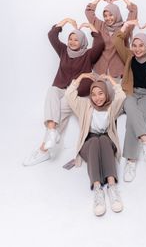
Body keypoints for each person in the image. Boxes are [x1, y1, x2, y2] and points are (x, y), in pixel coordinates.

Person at [23, 18, 104, 166]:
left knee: (61, 107)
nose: (72, 42)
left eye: (76, 40)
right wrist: (65, 21)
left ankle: (43, 150)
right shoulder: (63, 51)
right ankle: (53, 133)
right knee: (52, 91)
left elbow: (100, 44)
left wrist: (89, 26)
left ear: (82, 42)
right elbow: (52, 35)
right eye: (70, 39)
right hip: (61, 87)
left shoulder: (88, 54)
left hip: (76, 91)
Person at [113, 20, 146, 182]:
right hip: (131, 93)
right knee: (129, 106)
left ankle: (131, 161)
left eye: (141, 45)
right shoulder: (129, 56)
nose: (137, 49)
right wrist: (127, 25)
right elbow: (117, 41)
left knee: (131, 120)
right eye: (134, 45)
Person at [65, 73, 126, 216]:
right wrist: (81, 77)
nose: (97, 98)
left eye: (101, 93)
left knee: (103, 139)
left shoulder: (112, 106)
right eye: (93, 94)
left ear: (106, 94)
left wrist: (110, 79)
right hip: (88, 143)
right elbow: (69, 95)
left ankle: (112, 187)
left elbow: (121, 96)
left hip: (105, 141)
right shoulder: (84, 105)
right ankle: (98, 190)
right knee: (94, 141)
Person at [85, 0, 138, 79]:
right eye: (105, 15)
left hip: (118, 72)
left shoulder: (124, 27)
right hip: (100, 71)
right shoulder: (101, 26)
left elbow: (133, 10)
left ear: (116, 14)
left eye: (111, 15)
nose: (108, 18)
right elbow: (88, 12)